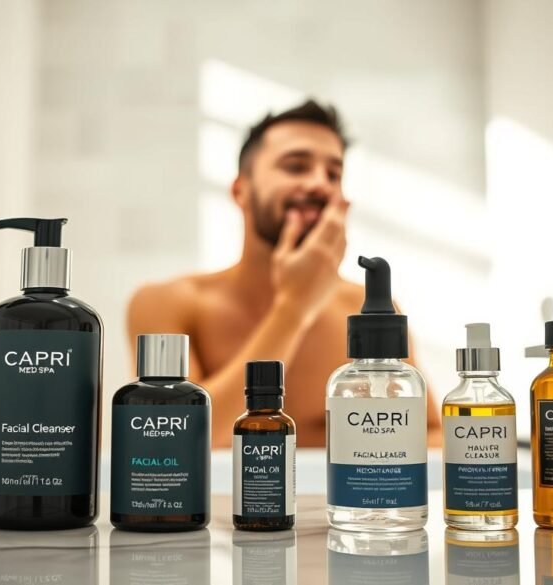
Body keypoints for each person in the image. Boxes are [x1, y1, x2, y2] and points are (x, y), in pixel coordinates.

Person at [127, 99, 441, 448]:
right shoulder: (168, 302)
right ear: (240, 190)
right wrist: (294, 308)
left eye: (334, 174)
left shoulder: (363, 306)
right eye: (296, 166)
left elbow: (434, 434)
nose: (320, 184)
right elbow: (176, 443)